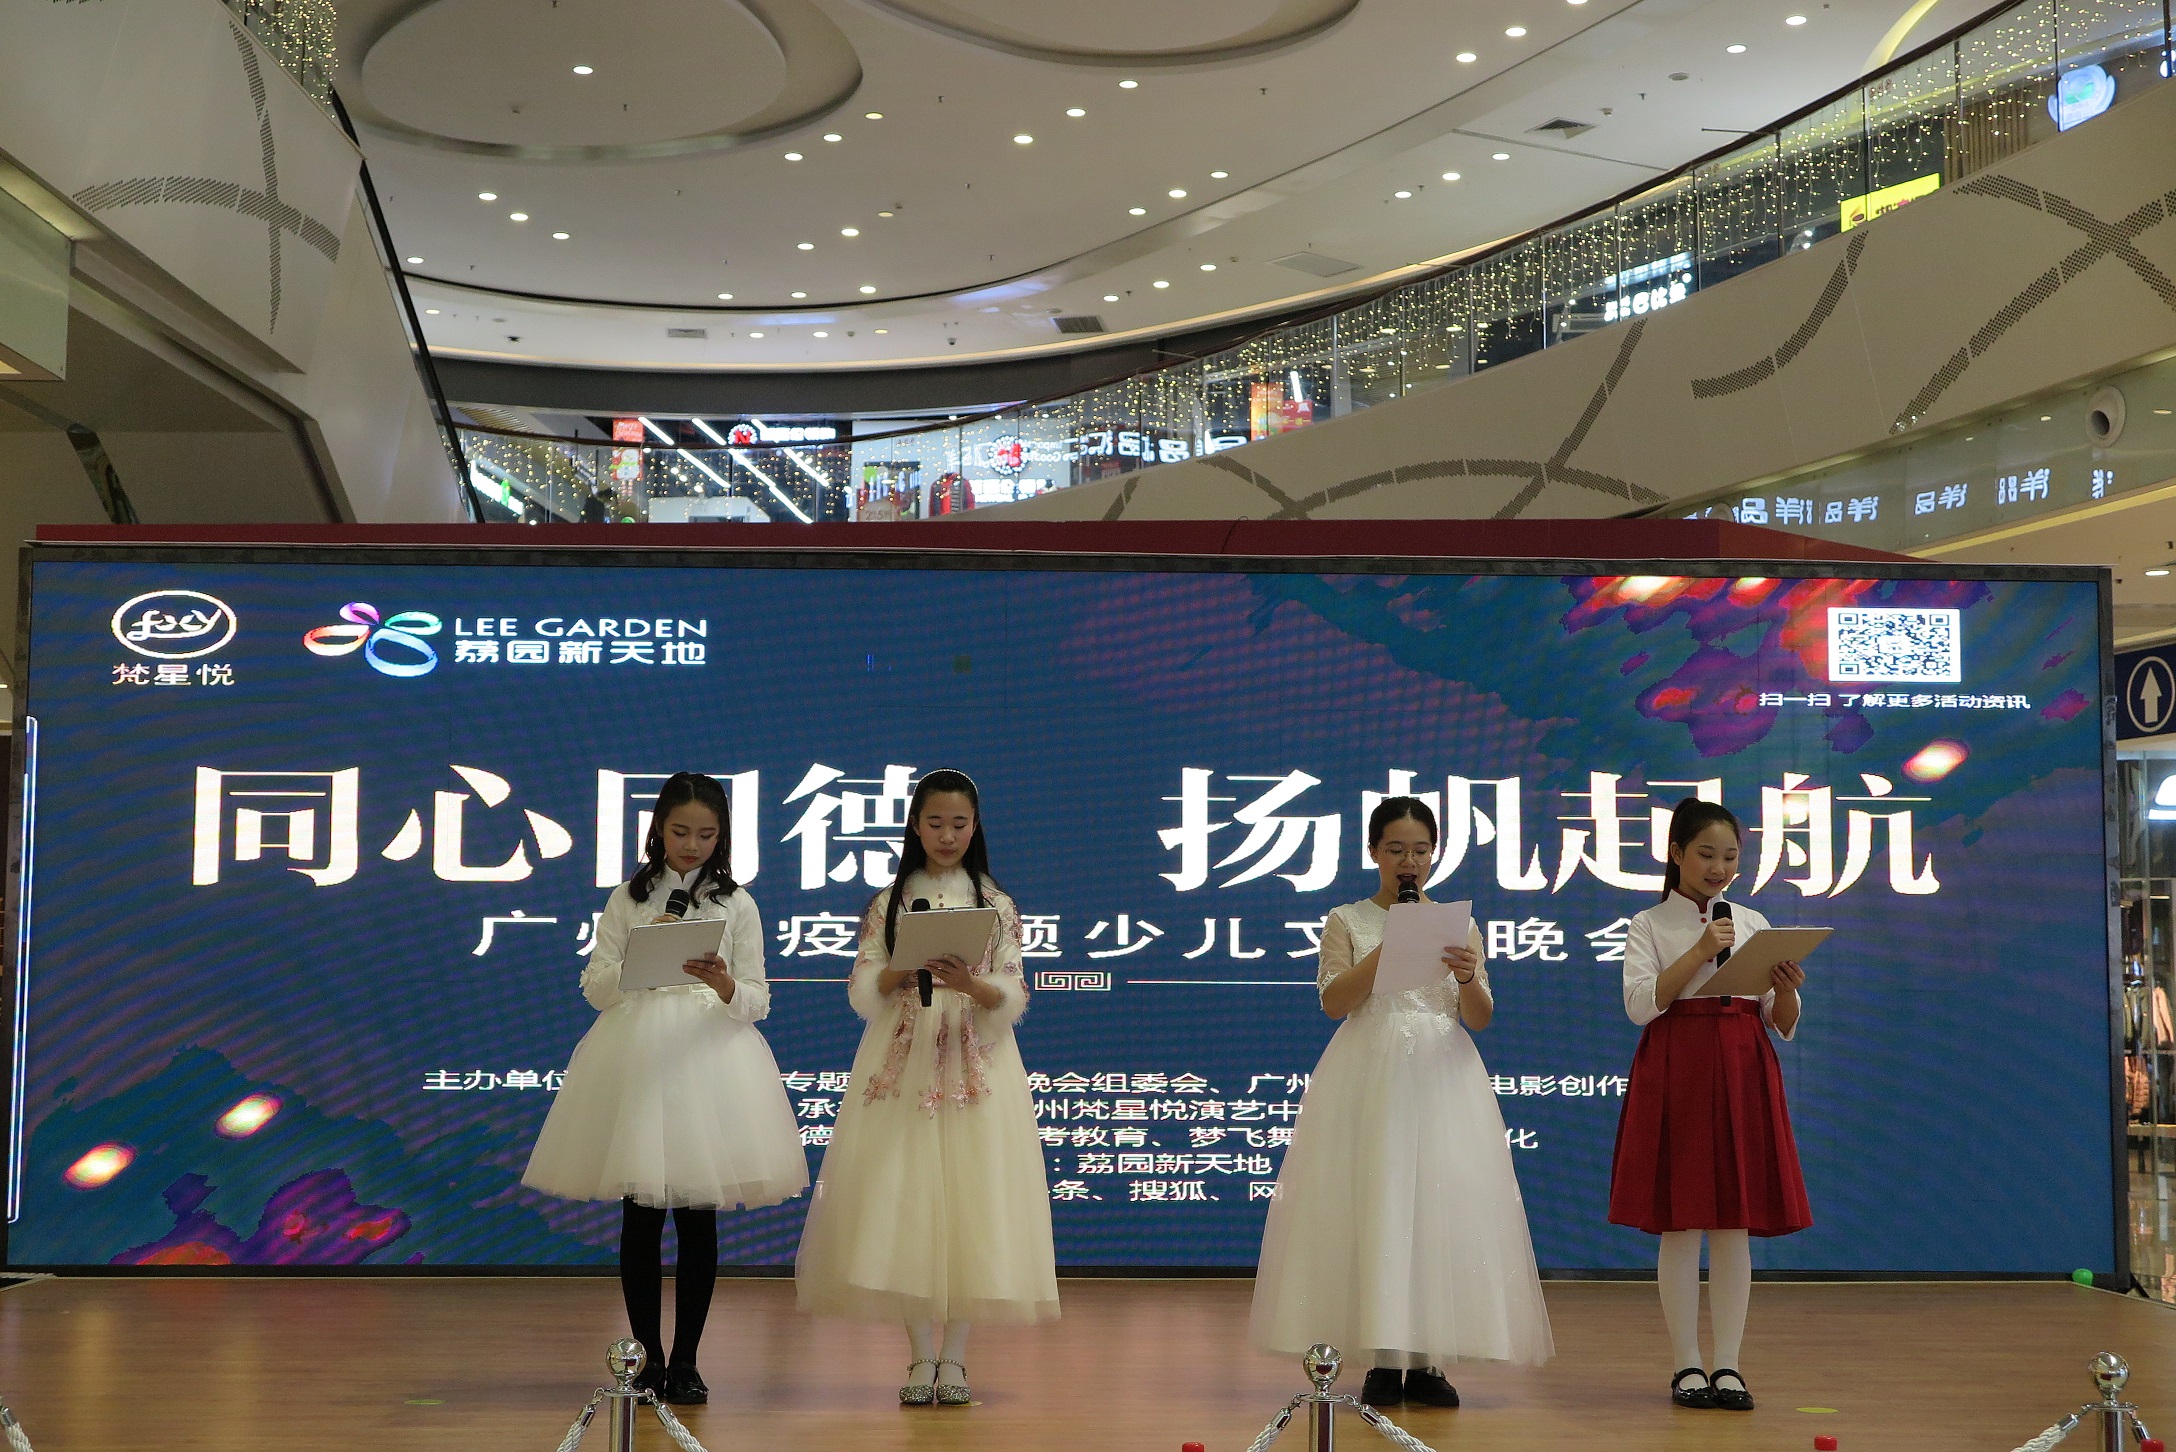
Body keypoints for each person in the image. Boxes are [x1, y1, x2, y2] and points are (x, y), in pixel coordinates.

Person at [1250, 797, 1554, 1407]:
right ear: (1374, 853)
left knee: (1440, 1207)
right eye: (1395, 849)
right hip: (1370, 1075)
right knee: (1379, 1204)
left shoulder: (1456, 924)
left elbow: (1479, 1017)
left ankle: (1429, 1359)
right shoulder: (1347, 919)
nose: (1409, 861)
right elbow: (1334, 1002)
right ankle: (1384, 1358)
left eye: (1420, 850)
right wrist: (1385, 953)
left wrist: (1466, 976)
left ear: (1434, 853)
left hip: (1442, 1078)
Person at [523, 773, 808, 1404]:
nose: (692, 845)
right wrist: (638, 963)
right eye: (681, 831)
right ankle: (645, 1360)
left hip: (709, 1060)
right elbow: (595, 987)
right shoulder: (628, 898)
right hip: (639, 1056)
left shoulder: (737, 903)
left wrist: (723, 983)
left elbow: (757, 1000)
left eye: (706, 834)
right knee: (641, 1216)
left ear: (721, 837)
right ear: (658, 829)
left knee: (698, 1218)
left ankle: (687, 1362)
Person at [794, 769, 1058, 1406]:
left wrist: (970, 985)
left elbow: (1013, 989)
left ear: (975, 827)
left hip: (976, 1062)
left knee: (974, 1202)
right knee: (902, 1196)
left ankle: (956, 1357)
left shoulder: (996, 904)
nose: (947, 835)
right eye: (935, 822)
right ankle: (918, 1355)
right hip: (902, 1060)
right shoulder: (889, 902)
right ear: (915, 826)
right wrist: (900, 970)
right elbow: (865, 985)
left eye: (959, 824)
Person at [1608, 797, 1810, 1412]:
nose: (1719, 868)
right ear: (1676, 853)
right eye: (1706, 855)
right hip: (1678, 1067)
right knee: (1681, 1220)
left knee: (1732, 1223)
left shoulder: (1752, 922)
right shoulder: (1648, 924)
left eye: (1729, 857)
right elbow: (1640, 1006)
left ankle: (1728, 1365)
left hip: (1743, 1064)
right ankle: (1686, 1364)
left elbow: (1780, 1020)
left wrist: (1786, 990)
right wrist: (1698, 950)